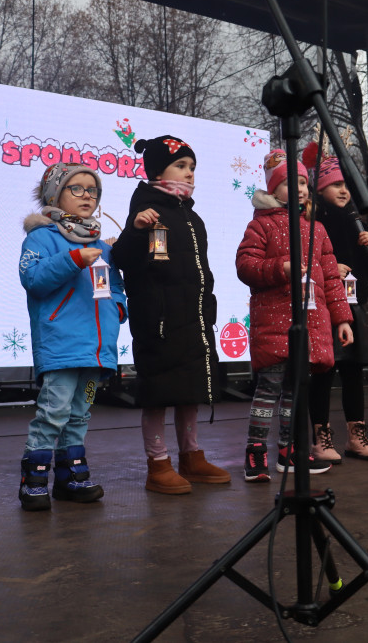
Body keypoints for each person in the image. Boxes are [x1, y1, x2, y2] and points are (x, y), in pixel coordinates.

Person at [112, 135, 230, 494]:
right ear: (157, 170)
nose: (189, 173)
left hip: (193, 319)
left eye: (192, 167)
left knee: (189, 390)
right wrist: (135, 230)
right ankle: (158, 462)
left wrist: (208, 308)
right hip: (158, 321)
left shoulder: (191, 217)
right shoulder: (145, 212)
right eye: (181, 165)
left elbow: (201, 270)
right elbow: (122, 261)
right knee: (159, 392)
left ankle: (191, 456)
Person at [236, 149, 353, 481]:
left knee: (294, 391)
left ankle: (289, 452)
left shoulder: (317, 229)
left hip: (309, 323)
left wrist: (342, 318)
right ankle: (255, 452)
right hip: (275, 324)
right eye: (290, 182)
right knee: (269, 390)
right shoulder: (261, 226)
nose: (300, 188)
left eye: (303, 182)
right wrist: (280, 268)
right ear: (273, 190)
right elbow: (245, 265)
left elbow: (331, 278)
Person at [16, 163, 128, 511]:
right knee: (53, 412)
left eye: (92, 190)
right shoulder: (41, 238)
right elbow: (33, 280)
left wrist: (118, 310)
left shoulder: (103, 247)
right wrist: (74, 259)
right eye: (76, 188)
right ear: (54, 195)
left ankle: (71, 476)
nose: (86, 196)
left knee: (80, 414)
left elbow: (116, 288)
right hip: (61, 347)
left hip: (95, 352)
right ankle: (34, 479)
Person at [305, 148, 368, 463]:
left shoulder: (356, 222)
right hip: (323, 305)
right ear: (320, 187)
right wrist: (330, 269)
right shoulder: (313, 219)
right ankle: (321, 436)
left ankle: (357, 435)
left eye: (346, 185)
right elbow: (304, 260)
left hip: (354, 304)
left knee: (354, 371)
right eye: (336, 184)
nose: (343, 191)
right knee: (324, 371)